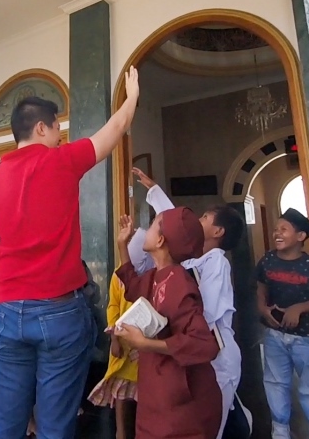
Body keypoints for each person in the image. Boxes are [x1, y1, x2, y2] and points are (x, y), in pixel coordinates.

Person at [0, 67, 141, 438]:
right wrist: (133, 95)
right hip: (61, 311)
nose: (61, 136)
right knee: (56, 422)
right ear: (41, 128)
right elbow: (115, 128)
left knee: (5, 422)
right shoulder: (62, 161)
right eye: (57, 129)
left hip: (9, 312)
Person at [127, 168, 247, 438]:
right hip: (190, 350)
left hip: (215, 350)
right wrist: (155, 192)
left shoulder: (216, 261)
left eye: (204, 217)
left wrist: (163, 333)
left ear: (217, 231)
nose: (196, 220)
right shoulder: (191, 261)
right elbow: (173, 229)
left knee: (209, 422)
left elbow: (207, 313)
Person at [114, 208, 222, 438]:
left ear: (161, 240)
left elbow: (204, 344)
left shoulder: (180, 283)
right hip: (157, 389)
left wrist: (146, 344)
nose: (147, 230)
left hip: (180, 402)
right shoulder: (157, 275)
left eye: (153, 224)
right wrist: (122, 245)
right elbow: (133, 288)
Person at [256, 208, 309, 439]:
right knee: (275, 382)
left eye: (284, 229)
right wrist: (262, 308)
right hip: (273, 335)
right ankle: (280, 431)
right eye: (276, 229)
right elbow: (261, 289)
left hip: (305, 338)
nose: (276, 233)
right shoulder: (268, 260)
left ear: (300, 237)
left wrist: (298, 308)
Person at [87, 258, 138, 439]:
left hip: (144, 343)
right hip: (122, 341)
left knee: (144, 392)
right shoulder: (118, 274)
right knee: (121, 390)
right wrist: (114, 339)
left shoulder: (152, 271)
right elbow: (113, 306)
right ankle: (120, 432)